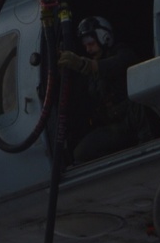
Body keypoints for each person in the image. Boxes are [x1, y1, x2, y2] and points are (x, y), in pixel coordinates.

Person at [58, 16, 146, 164]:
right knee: (80, 152)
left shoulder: (122, 53)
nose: (88, 49)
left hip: (130, 123)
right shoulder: (91, 76)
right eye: (85, 45)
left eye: (91, 43)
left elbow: (117, 64)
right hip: (113, 126)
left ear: (104, 38)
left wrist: (84, 65)